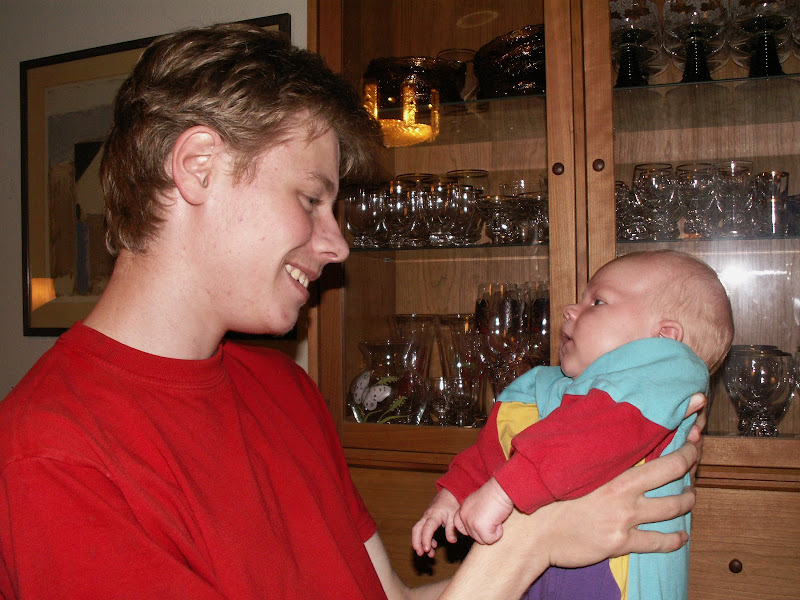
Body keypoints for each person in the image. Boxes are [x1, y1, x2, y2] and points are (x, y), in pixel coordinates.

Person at [0, 23, 706, 600]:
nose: (337, 244)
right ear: (198, 166)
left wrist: (555, 559)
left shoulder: (284, 390)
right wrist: (533, 537)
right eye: (311, 199)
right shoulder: (50, 456)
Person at [413, 249, 734, 600]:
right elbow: (497, 449)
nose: (569, 309)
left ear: (664, 340)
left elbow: (588, 439)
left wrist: (503, 492)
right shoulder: (547, 389)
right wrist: (454, 494)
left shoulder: (666, 374)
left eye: (598, 302)